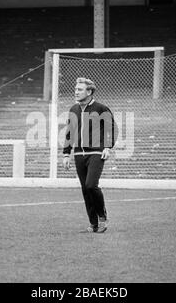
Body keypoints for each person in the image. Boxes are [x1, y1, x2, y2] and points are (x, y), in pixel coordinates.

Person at [62, 77, 118, 233]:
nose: (76, 92)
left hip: (96, 152)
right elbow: (70, 133)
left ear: (89, 91)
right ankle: (93, 223)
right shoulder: (73, 109)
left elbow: (112, 129)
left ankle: (102, 216)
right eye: (76, 89)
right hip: (79, 154)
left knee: (91, 185)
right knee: (85, 189)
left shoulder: (101, 108)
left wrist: (108, 147)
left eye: (79, 89)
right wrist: (66, 154)